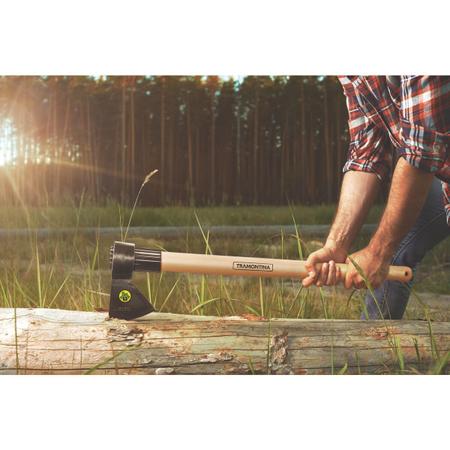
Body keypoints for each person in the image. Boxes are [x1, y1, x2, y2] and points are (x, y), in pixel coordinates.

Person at [302, 76, 450, 319]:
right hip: (440, 170)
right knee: (395, 252)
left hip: (432, 161)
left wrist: (378, 252)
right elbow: (366, 152)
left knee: (385, 252)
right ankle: (373, 351)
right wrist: (335, 245)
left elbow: (422, 149)